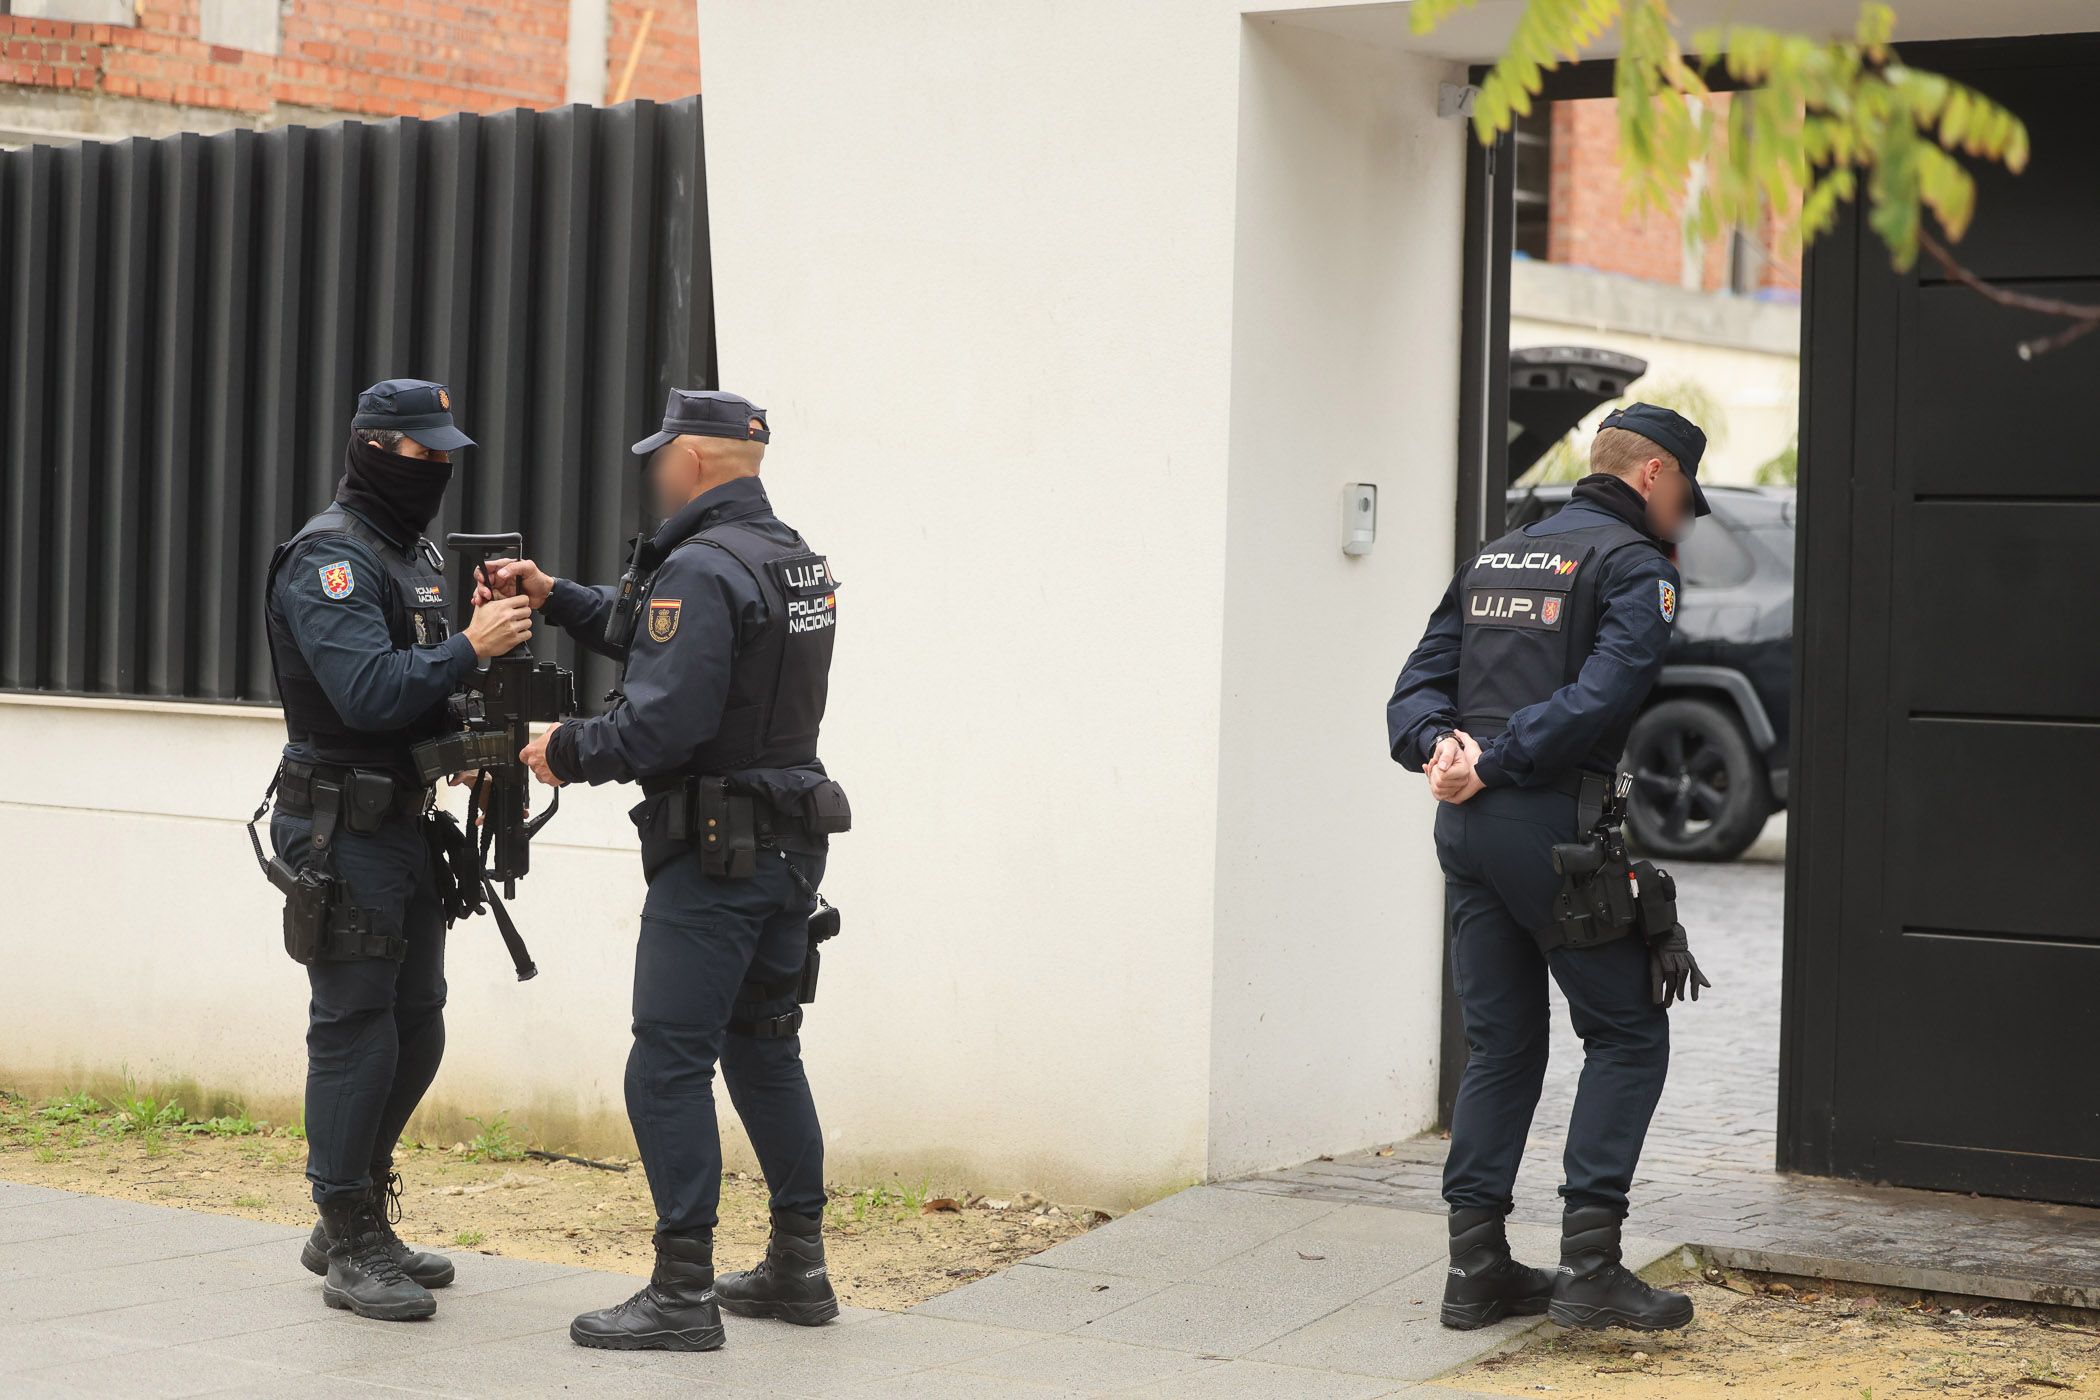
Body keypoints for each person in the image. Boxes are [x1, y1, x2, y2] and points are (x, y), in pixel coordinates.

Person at [480, 389, 845, 1353]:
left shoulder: (700, 567)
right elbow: (671, 646)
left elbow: (664, 721)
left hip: (716, 853)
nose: (653, 471)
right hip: (787, 845)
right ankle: (799, 1270)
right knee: (764, 1044)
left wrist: (565, 747)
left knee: (667, 1061)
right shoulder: (788, 556)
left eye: (660, 455)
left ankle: (682, 1293)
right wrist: (556, 595)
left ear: (692, 458)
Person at [1386, 402, 1713, 1335]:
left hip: (1469, 830)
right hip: (1550, 832)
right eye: (1684, 495)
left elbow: (1416, 684)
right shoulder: (1633, 567)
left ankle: (1477, 1269)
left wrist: (1439, 749)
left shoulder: (1500, 555)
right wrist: (1491, 759)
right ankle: (1590, 1266)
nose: (1683, 517)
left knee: (1502, 1043)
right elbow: (1602, 692)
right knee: (1627, 1033)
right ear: (1652, 476)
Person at [262, 379, 536, 1321]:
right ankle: (348, 1232)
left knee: (418, 1017)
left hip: (404, 821)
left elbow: (417, 699)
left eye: (447, 453)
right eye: (423, 453)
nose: (440, 468)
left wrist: (473, 733)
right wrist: (467, 645)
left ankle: (357, 1206)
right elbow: (366, 694)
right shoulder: (329, 558)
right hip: (339, 823)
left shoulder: (410, 552)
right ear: (375, 448)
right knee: (352, 1024)